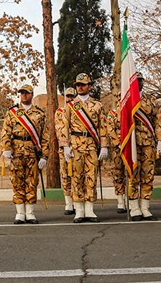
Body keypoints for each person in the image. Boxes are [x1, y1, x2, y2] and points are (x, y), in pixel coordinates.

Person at [58, 73, 109, 223]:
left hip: (92, 145)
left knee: (91, 177)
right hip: (75, 146)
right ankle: (79, 210)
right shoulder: (70, 106)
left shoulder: (97, 105)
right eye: (77, 85)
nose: (79, 87)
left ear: (89, 86)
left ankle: (89, 210)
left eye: (83, 84)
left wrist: (104, 146)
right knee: (76, 178)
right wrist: (65, 146)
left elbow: (102, 127)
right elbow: (63, 127)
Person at [0, 84, 49, 224]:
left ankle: (30, 213)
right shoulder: (12, 112)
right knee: (17, 182)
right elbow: (6, 131)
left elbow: (45, 136)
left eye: (26, 93)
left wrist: (45, 156)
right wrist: (6, 147)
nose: (24, 95)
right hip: (16, 152)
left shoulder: (40, 113)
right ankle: (20, 213)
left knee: (32, 182)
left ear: (31, 94)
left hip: (33, 152)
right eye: (22, 93)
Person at [128, 72, 159, 221]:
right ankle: (134, 207)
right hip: (133, 143)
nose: (138, 83)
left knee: (148, 175)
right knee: (133, 175)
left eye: (140, 80)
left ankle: (145, 207)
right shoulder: (126, 99)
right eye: (136, 80)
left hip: (148, 143)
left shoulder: (150, 99)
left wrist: (158, 141)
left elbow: (157, 121)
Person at [55, 87, 77, 215]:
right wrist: (65, 145)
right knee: (65, 175)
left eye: (72, 96)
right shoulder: (60, 112)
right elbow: (59, 129)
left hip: (78, 146)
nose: (70, 99)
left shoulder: (80, 109)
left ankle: (78, 201)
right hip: (64, 148)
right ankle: (68, 203)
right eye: (68, 96)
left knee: (77, 175)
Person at [105, 93, 127, 213]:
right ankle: (120, 201)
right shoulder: (113, 113)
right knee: (118, 173)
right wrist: (117, 141)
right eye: (118, 97)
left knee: (131, 172)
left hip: (129, 146)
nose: (120, 99)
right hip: (117, 148)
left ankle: (130, 198)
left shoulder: (130, 111)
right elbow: (110, 129)